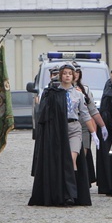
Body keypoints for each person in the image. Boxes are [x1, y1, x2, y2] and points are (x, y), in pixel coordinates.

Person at [29, 63, 96, 206]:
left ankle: (72, 193)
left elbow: (85, 114)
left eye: (69, 74)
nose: (67, 76)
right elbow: (45, 113)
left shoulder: (78, 94)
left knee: (72, 158)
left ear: (73, 76)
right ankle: (63, 191)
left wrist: (94, 133)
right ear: (60, 75)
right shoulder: (54, 93)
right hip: (59, 129)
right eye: (64, 73)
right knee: (60, 161)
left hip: (74, 128)